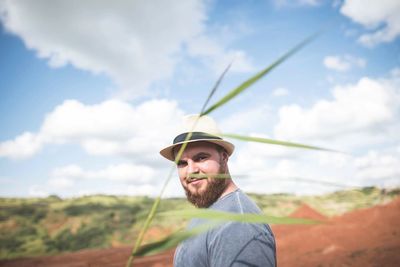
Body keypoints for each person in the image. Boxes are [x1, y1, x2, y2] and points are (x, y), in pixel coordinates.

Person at [160, 115, 277, 267]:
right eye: (182, 163)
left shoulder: (238, 225)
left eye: (201, 158)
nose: (191, 171)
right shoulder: (210, 209)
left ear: (224, 157)